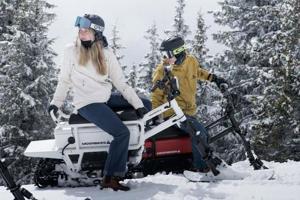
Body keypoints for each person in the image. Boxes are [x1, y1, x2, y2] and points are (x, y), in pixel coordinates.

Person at [48, 14, 148, 191]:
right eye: (80, 29)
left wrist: (138, 105)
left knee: (146, 104)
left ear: (97, 33)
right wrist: (56, 103)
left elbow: (121, 83)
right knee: (121, 133)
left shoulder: (106, 53)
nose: (81, 32)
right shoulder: (71, 51)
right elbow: (64, 80)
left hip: (105, 98)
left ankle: (138, 149)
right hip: (87, 103)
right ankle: (111, 177)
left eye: (86, 30)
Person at [151, 36, 227, 172]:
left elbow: (198, 72)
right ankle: (202, 169)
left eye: (168, 54)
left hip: (190, 112)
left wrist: (213, 78)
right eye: (163, 55)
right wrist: (155, 116)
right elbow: (156, 95)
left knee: (203, 133)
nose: (165, 58)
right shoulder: (163, 70)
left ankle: (193, 163)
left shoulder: (191, 61)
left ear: (179, 52)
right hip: (174, 114)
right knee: (199, 133)